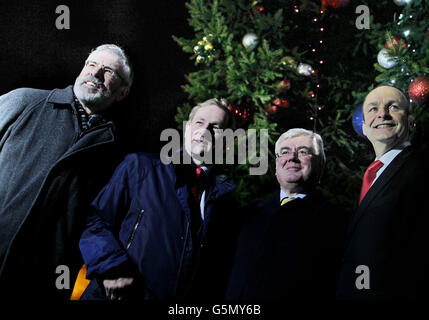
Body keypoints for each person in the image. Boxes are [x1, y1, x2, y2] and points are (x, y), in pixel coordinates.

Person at [0, 44, 133, 299]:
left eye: (108, 72)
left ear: (122, 92)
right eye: (91, 65)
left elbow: (98, 221)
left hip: (38, 281)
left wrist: (110, 266)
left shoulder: (116, 155)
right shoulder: (25, 101)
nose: (95, 74)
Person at [78, 98, 239, 300]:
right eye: (199, 122)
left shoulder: (226, 203)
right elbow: (94, 220)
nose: (205, 130)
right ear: (187, 128)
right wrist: (111, 267)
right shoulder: (140, 167)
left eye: (216, 127)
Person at [226, 128, 348, 300]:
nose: (292, 157)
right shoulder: (248, 215)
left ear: (321, 165)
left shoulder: (338, 222)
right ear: (276, 166)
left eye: (303, 152)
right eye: (284, 152)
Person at [337, 85, 429, 299]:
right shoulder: (370, 175)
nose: (382, 114)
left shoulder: (422, 167)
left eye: (393, 106)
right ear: (365, 127)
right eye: (372, 109)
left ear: (411, 121)